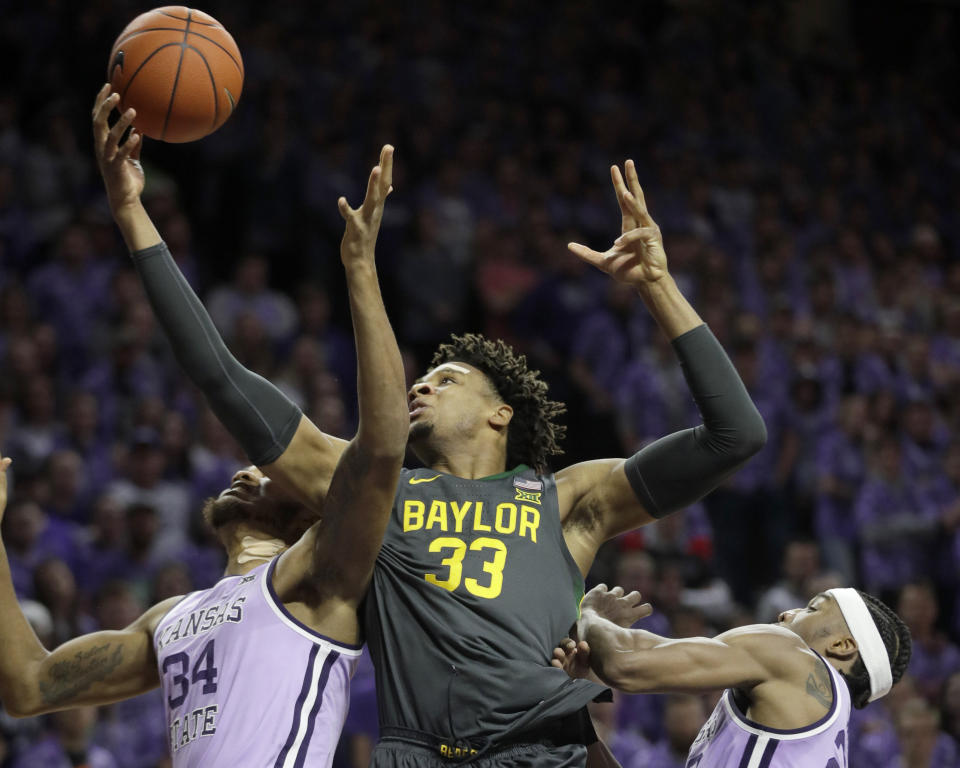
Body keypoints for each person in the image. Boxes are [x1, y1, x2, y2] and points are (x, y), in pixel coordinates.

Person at [106, 93, 767, 765]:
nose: (421, 385)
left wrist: (657, 285)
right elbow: (220, 375)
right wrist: (131, 214)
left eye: (446, 378)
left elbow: (734, 435)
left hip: (546, 750)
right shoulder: (371, 491)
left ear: (500, 412)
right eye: (422, 378)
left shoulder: (565, 500)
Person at [0, 86, 407, 768]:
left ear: (314, 511)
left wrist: (361, 274)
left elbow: (382, 447)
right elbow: (28, 687)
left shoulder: (323, 571)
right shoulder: (172, 617)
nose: (248, 468)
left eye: (272, 473)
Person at [555, 584, 911, 767]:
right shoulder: (820, 738)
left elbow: (624, 663)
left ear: (844, 644)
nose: (787, 614)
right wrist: (573, 711)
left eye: (811, 608)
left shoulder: (791, 654)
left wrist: (590, 612)